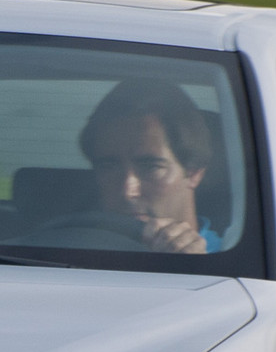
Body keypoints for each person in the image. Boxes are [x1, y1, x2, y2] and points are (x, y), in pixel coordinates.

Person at [34, 81, 220, 253]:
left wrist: (194, 266)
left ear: (194, 171)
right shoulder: (64, 255)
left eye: (151, 167)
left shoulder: (230, 267)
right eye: (109, 166)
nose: (128, 191)